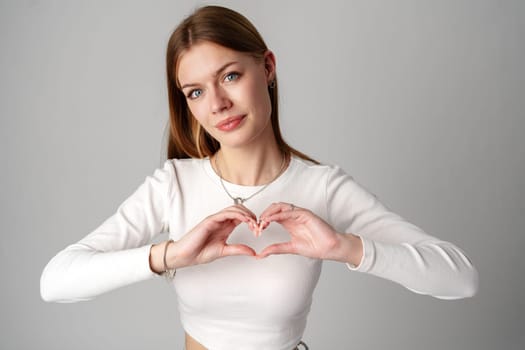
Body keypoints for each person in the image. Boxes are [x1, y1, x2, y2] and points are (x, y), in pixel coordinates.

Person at [40, 5, 478, 350]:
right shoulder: (173, 185)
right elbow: (55, 281)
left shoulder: (322, 188)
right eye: (195, 91)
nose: (217, 104)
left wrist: (344, 248)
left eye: (230, 76)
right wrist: (170, 255)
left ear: (267, 68)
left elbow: (460, 279)